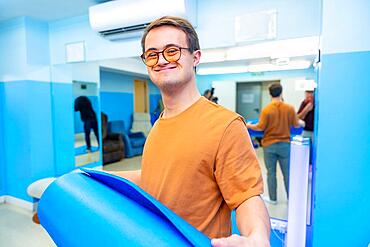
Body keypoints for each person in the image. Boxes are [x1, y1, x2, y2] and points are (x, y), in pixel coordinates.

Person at [115, 16, 270, 246]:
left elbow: (246, 196)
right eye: (152, 54)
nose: (161, 60)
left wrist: (257, 236)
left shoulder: (225, 125)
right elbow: (158, 176)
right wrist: (90, 178)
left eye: (172, 50)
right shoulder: (159, 123)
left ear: (195, 57)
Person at [246, 83, 304, 204]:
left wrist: (248, 125)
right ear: (281, 92)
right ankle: (291, 198)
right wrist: (302, 123)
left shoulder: (266, 110)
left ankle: (273, 199)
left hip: (269, 146)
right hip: (285, 145)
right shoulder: (289, 108)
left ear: (269, 93)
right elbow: (296, 124)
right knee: (287, 173)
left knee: (271, 173)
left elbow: (260, 127)